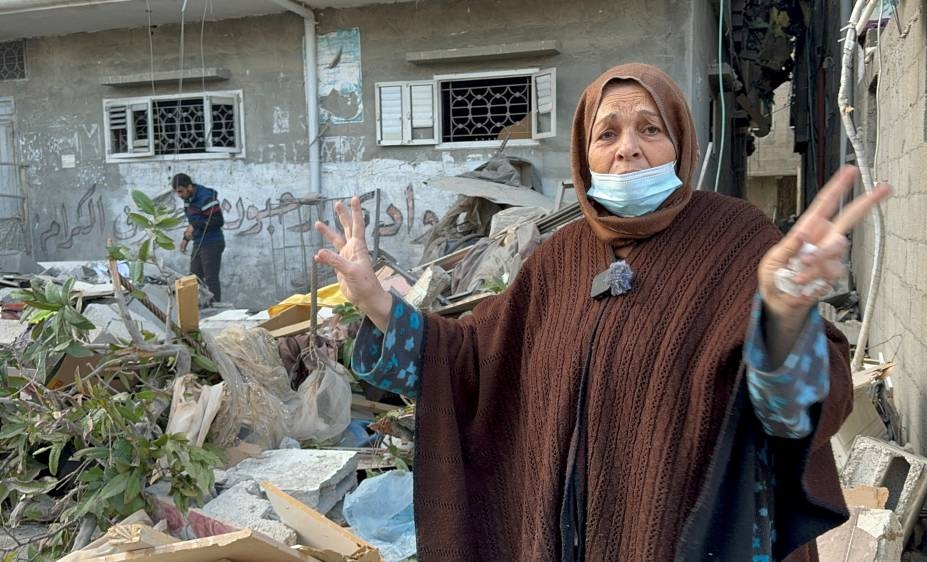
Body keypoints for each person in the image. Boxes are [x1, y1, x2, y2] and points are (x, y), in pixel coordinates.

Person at [314, 64, 890, 561]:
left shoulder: (738, 243)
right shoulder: (560, 257)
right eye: (606, 133)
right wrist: (378, 302)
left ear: (681, 143)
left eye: (649, 129)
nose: (627, 148)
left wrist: (785, 318)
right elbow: (474, 358)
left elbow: (789, 417)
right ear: (584, 157)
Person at [172, 173, 226, 303]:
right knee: (194, 278)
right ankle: (198, 307)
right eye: (177, 192)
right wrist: (186, 238)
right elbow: (193, 222)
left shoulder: (206, 198)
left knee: (210, 278)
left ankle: (215, 307)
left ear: (189, 187)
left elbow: (218, 221)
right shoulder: (188, 200)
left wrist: (195, 226)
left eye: (181, 191)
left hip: (212, 242)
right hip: (199, 241)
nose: (179, 195)